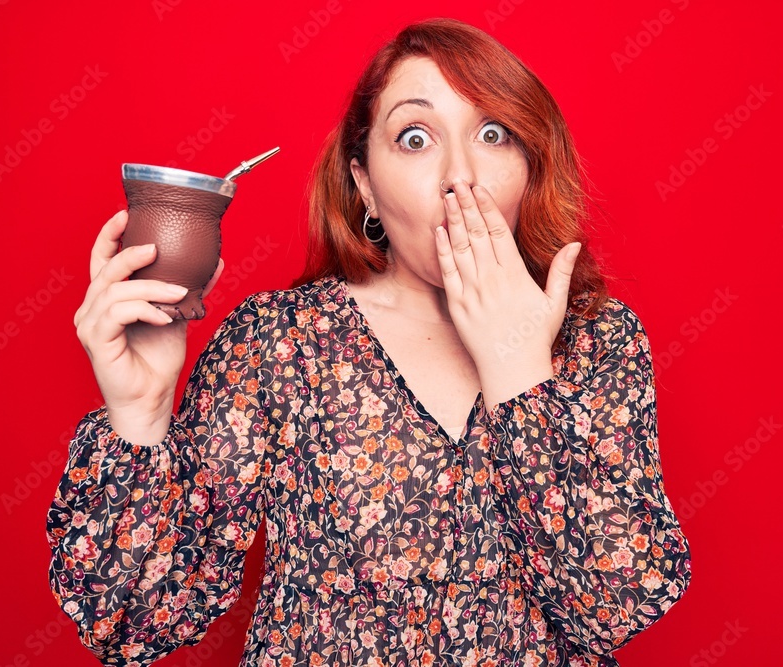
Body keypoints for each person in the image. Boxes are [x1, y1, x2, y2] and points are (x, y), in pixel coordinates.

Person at [47, 17, 692, 667]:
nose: (459, 176)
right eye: (416, 138)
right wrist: (140, 415)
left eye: (492, 134)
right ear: (365, 187)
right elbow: (131, 621)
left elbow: (616, 605)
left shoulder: (597, 341)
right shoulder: (281, 342)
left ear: (527, 167)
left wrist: (518, 366)